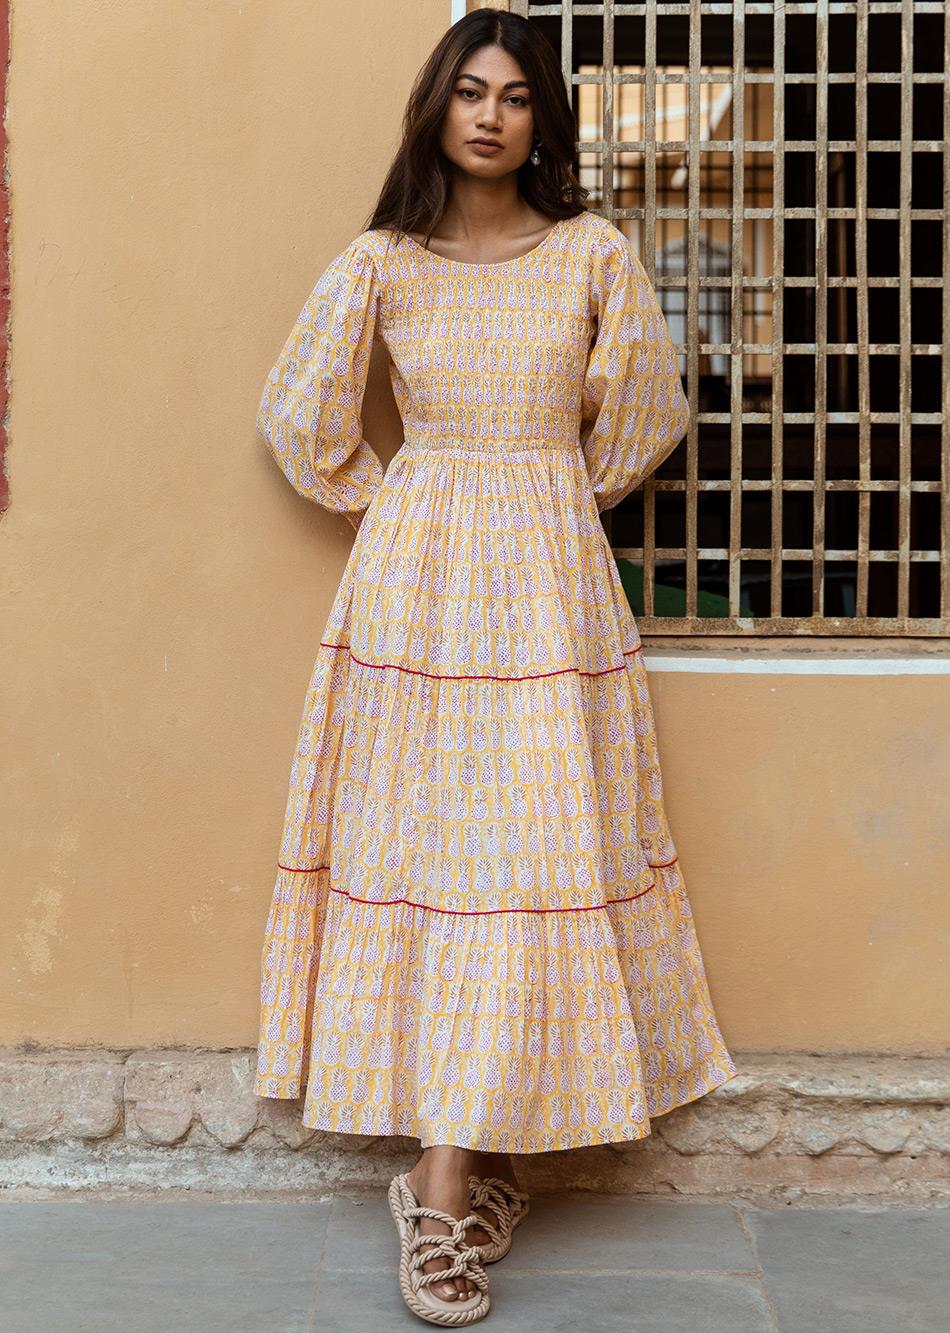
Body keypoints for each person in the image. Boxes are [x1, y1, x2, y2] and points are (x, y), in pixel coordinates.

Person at [253, 9, 737, 1326]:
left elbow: (645, 408)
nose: (488, 116)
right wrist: (404, 500)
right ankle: (445, 1180)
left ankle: (460, 1168)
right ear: (435, 108)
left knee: (526, 864)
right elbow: (299, 416)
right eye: (467, 93)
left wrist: (543, 498)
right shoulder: (383, 264)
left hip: (547, 594)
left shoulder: (587, 252)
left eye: (516, 98)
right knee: (436, 862)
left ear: (544, 121)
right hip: (416, 598)